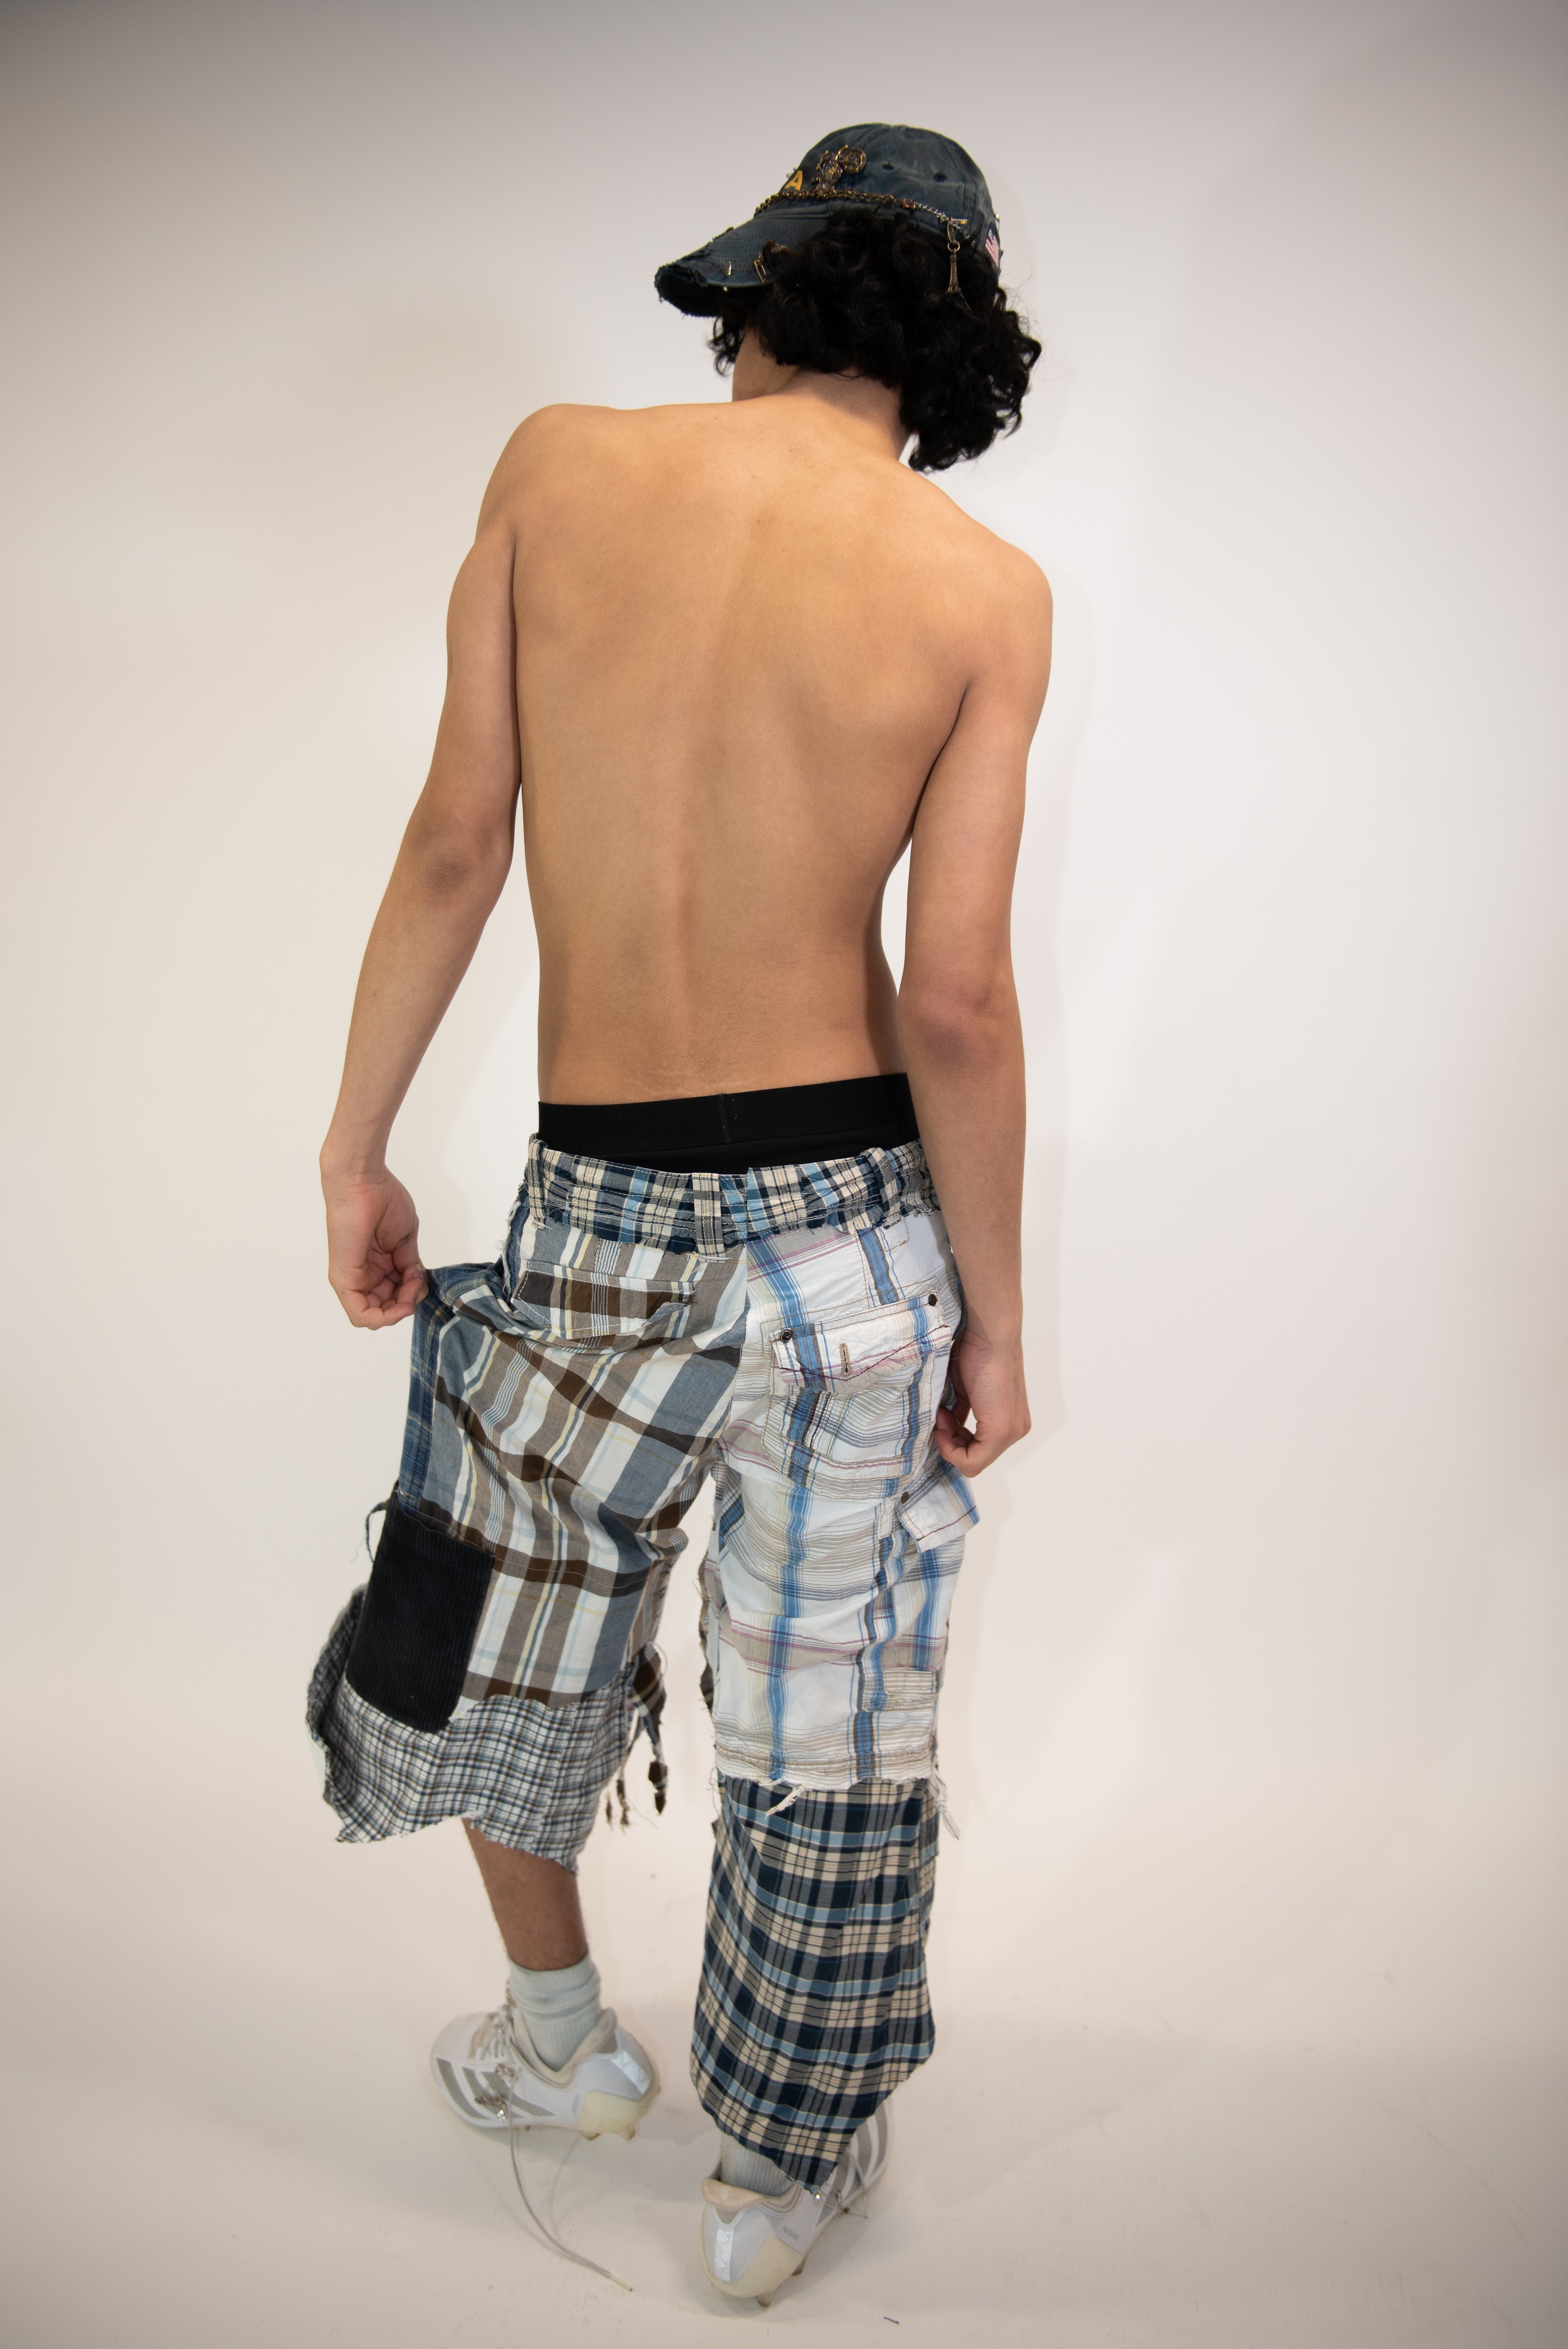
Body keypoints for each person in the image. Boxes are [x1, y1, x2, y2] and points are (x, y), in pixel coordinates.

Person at [310, 121, 1051, 2306]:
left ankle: (557, 2046)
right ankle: (774, 2177)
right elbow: (955, 998)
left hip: (596, 1203)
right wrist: (996, 1314)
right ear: (946, 356)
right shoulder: (982, 591)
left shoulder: (557, 467)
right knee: (827, 1703)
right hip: (851, 1228)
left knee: (506, 1629)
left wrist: (357, 1146)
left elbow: (456, 843)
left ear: (765, 300)